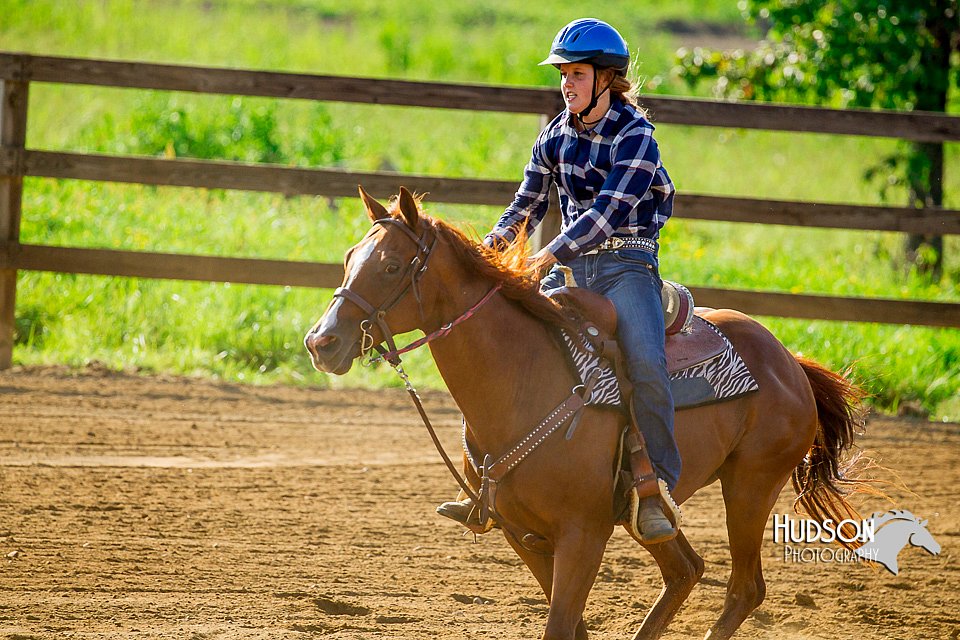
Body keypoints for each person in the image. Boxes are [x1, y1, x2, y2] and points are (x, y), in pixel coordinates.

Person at [437, 18, 681, 544]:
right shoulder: (554, 135)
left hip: (627, 267)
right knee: (505, 348)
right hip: (574, 271)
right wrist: (487, 255)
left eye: (577, 74)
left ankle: (657, 485)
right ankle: (483, 482)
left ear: (606, 79)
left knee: (644, 358)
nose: (566, 84)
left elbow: (609, 214)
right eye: (563, 74)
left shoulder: (637, 137)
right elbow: (524, 204)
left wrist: (548, 253)